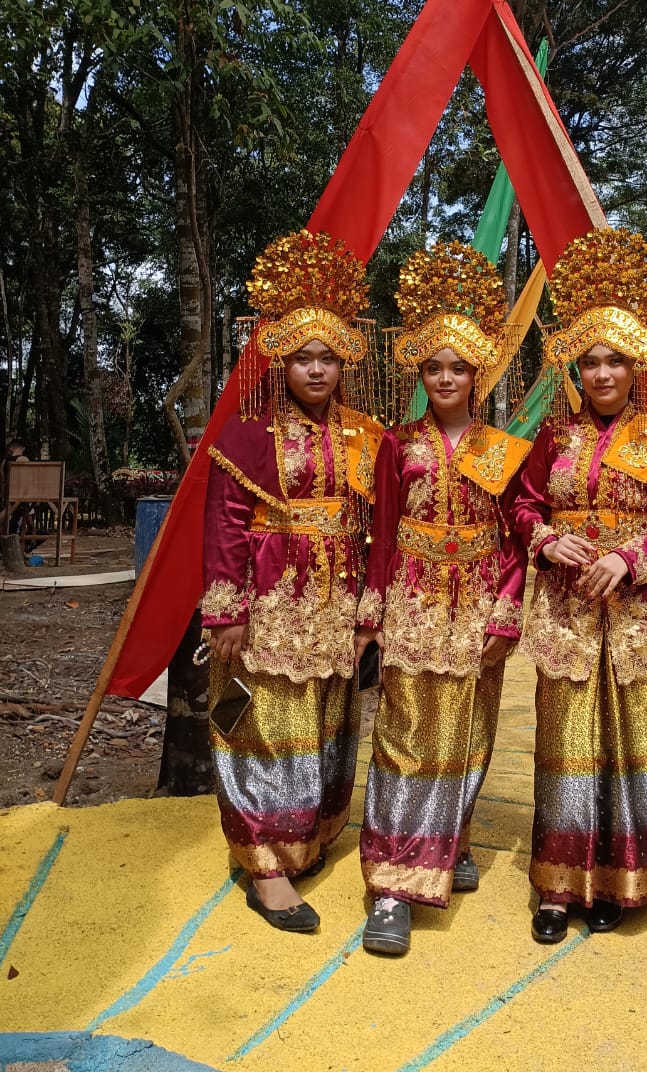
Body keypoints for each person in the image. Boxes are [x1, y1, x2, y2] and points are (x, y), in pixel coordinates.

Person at [510, 230, 647, 944]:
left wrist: (632, 558)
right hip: (565, 609)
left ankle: (624, 881)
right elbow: (520, 505)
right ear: (575, 371)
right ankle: (558, 886)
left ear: (634, 366)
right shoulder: (552, 440)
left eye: (613, 360)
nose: (599, 373)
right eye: (588, 361)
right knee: (566, 741)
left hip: (638, 612)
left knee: (636, 741)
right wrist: (545, 537)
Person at [200, 229, 382, 933]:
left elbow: (379, 529)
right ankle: (263, 863)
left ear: (344, 364)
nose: (315, 370)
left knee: (327, 725)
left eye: (327, 358)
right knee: (257, 726)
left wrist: (370, 609)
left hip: (336, 603)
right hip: (268, 602)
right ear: (281, 362)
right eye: (302, 357)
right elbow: (222, 526)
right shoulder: (247, 437)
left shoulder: (366, 437)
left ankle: (307, 838)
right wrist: (226, 611)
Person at [354, 241, 529, 956]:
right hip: (414, 602)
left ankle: (446, 838)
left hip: (480, 604)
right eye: (434, 367)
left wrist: (507, 612)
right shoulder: (398, 445)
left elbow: (517, 541)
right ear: (419, 374)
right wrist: (373, 612)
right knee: (404, 738)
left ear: (478, 372)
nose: (447, 376)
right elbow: (383, 531)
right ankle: (391, 887)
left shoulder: (503, 449)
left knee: (468, 733)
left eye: (459, 366)